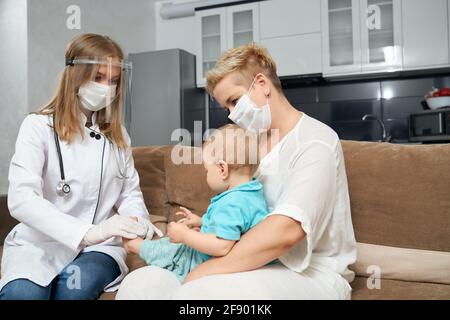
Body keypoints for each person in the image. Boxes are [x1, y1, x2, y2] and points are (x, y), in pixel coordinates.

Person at [116, 43, 357, 300]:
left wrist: (205, 271)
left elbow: (285, 232)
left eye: (234, 101)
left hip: (310, 273)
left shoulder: (315, 141)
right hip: (253, 262)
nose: (232, 115)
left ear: (262, 84)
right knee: (140, 286)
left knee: (199, 294)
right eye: (227, 108)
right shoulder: (249, 146)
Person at [0, 34, 161, 300]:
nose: (107, 88)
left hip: (101, 248)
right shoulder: (38, 126)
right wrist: (87, 232)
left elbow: (129, 194)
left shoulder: (117, 135)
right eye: (98, 77)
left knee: (72, 290)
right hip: (40, 244)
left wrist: (138, 223)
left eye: (113, 80)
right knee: (23, 294)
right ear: (75, 75)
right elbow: (21, 199)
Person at [121, 124, 269, 283]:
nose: (206, 176)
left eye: (207, 170)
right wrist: (202, 221)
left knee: (169, 250)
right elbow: (236, 227)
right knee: (169, 244)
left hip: (201, 263)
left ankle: (135, 246)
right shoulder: (251, 193)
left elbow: (222, 245)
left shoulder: (232, 203)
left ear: (222, 169)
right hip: (214, 256)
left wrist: (186, 236)